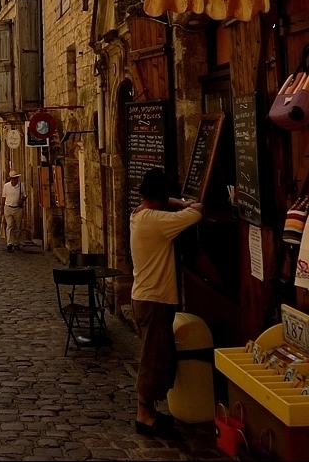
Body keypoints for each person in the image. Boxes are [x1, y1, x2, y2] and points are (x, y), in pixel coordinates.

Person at [130, 167, 204, 438]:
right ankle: (144, 415)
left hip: (145, 296)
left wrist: (171, 200)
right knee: (152, 358)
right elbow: (196, 212)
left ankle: (148, 410)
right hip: (154, 298)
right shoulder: (157, 221)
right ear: (162, 196)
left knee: (158, 355)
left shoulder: (139, 215)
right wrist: (186, 202)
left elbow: (168, 205)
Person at [0, 170, 27, 251]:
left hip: (18, 209)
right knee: (10, 225)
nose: (15, 180)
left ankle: (16, 242)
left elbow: (25, 195)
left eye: (16, 178)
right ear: (11, 179)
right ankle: (9, 243)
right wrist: (2, 209)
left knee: (18, 227)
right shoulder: (6, 186)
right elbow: (3, 198)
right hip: (8, 208)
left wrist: (22, 200)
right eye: (14, 178)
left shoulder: (21, 186)